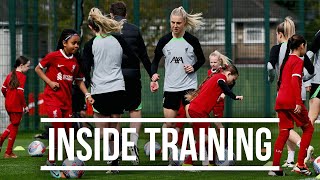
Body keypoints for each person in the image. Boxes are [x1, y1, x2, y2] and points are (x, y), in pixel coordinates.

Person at [81, 7, 141, 173]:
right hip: (118, 87)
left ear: (92, 27)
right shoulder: (118, 40)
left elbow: (85, 69)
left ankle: (113, 157)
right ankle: (116, 160)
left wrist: (89, 84)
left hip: (99, 89)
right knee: (115, 124)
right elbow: (132, 57)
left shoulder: (90, 45)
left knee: (102, 130)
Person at [35, 29, 94, 177]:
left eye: (78, 43)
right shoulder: (53, 57)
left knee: (68, 133)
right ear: (64, 43)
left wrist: (87, 94)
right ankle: (51, 162)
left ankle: (70, 162)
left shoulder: (75, 62)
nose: (76, 46)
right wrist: (49, 81)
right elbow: (38, 69)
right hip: (52, 100)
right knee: (59, 131)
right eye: (73, 43)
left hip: (66, 103)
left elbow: (79, 81)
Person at [150, 6, 205, 156]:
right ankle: (172, 155)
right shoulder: (164, 41)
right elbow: (154, 61)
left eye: (178, 23)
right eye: (172, 22)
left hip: (189, 87)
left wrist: (193, 68)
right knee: (170, 124)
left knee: (193, 119)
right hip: (170, 87)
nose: (175, 26)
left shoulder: (192, 41)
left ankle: (197, 152)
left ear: (185, 23)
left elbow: (202, 59)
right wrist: (153, 76)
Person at [109, 1, 156, 165]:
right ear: (126, 14)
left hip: (114, 77)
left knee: (115, 114)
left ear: (111, 15)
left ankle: (116, 152)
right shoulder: (135, 30)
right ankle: (133, 144)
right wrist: (152, 75)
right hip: (133, 76)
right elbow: (143, 55)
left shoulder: (108, 30)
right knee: (135, 111)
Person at [267, 17, 314, 168]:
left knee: (286, 128)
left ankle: (302, 148)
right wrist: (305, 81)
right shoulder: (298, 51)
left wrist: (271, 78)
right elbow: (310, 70)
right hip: (298, 92)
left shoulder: (277, 48)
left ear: (280, 34)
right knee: (291, 127)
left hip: (284, 94)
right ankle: (292, 159)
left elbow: (270, 68)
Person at [183, 64, 243, 166]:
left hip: (199, 110)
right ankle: (187, 163)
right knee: (207, 137)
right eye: (233, 79)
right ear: (228, 74)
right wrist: (234, 96)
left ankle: (211, 163)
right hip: (198, 111)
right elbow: (225, 87)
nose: (233, 82)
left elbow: (225, 86)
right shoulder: (221, 78)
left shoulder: (217, 77)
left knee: (209, 136)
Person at [0, 56, 30, 158]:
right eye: (27, 66)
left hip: (8, 104)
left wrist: (8, 97)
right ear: (21, 66)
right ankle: (8, 152)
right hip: (16, 105)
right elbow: (20, 92)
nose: (28, 68)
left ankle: (4, 146)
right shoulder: (22, 76)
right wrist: (25, 106)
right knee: (14, 127)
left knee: (13, 124)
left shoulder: (10, 75)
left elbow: (3, 89)